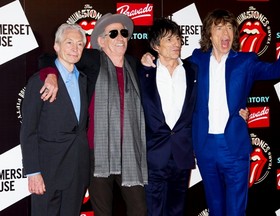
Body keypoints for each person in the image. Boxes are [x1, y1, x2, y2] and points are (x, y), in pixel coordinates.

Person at [142, 9, 280, 216]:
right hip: (204, 147)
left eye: (229, 28)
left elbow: (273, 70)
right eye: (219, 28)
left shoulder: (246, 61)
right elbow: (168, 63)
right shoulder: (195, 61)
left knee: (236, 210)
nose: (225, 33)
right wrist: (148, 57)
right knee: (215, 207)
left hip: (235, 148)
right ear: (209, 34)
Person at [38, 13, 148, 216]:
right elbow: (48, 57)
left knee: (139, 209)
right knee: (103, 211)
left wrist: (148, 57)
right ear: (100, 41)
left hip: (129, 153)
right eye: (113, 33)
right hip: (97, 152)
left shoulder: (133, 64)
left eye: (124, 33)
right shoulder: (93, 60)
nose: (120, 38)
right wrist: (51, 75)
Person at [20, 23, 89, 216]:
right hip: (48, 171)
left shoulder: (83, 79)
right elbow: (28, 130)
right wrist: (33, 172)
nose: (75, 48)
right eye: (69, 42)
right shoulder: (40, 81)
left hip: (77, 171)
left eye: (80, 44)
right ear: (57, 46)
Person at [137, 18, 197, 216]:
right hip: (154, 154)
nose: (177, 43)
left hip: (182, 153)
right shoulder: (143, 72)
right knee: (153, 211)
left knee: (177, 210)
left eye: (178, 38)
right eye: (169, 40)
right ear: (156, 46)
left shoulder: (192, 70)